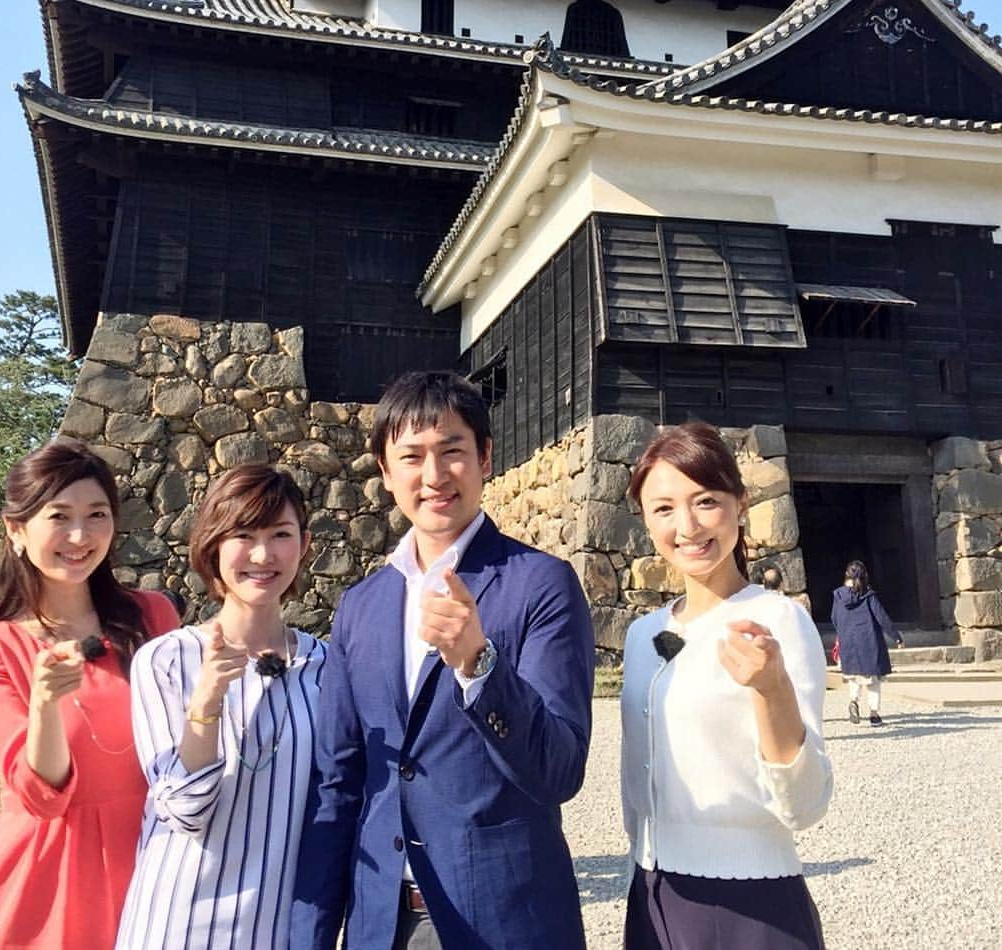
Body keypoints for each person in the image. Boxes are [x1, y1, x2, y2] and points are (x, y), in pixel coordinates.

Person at [291, 370, 595, 950]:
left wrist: (480, 665)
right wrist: (311, 934)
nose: (433, 476)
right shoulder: (362, 605)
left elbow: (560, 771)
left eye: (451, 451)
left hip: (504, 918)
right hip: (382, 923)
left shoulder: (541, 586)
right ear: (385, 471)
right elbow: (340, 778)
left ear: (484, 456)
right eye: (410, 457)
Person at [0, 438, 179, 950]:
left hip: (152, 855)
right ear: (17, 530)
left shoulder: (153, 617)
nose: (80, 535)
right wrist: (44, 703)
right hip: (50, 874)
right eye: (59, 516)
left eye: (96, 514)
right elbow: (42, 795)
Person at [621, 422, 832, 950]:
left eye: (706, 501)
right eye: (664, 508)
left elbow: (804, 806)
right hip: (650, 893)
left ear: (740, 503)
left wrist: (772, 689)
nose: (687, 526)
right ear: (646, 520)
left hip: (753, 902)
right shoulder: (642, 634)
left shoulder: (776, 621)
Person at [116, 464, 325, 949]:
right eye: (243, 534)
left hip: (276, 928)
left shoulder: (327, 666)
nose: (262, 554)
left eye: (280, 534)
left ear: (305, 545)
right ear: (212, 546)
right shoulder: (168, 660)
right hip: (177, 923)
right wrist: (207, 699)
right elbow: (186, 811)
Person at [830, 560, 903, 726]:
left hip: (848, 641)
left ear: (846, 575)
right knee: (873, 680)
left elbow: (834, 618)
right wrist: (896, 636)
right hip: (869, 641)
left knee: (854, 678)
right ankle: (874, 714)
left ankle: (854, 701)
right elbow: (881, 617)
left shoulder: (838, 596)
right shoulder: (868, 596)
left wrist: (843, 632)